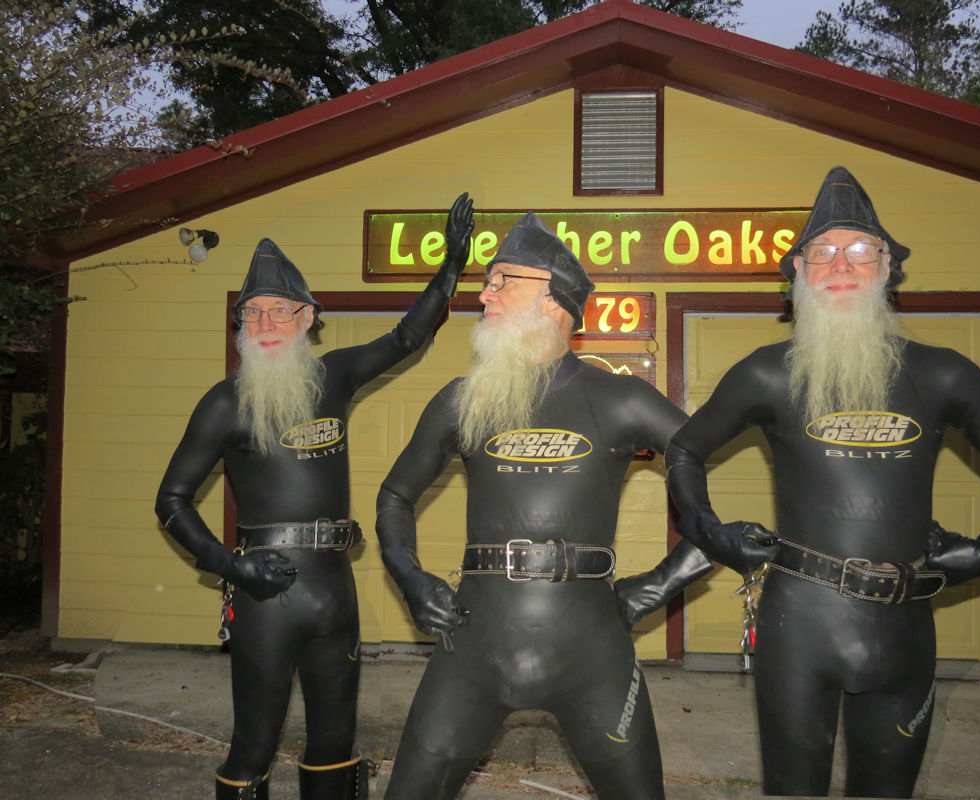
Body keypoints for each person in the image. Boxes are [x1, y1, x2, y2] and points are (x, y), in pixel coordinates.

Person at [664, 166, 980, 798]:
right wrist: (708, 531)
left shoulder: (944, 375)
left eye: (860, 250)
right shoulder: (768, 374)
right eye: (823, 252)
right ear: (799, 274)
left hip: (904, 630)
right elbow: (684, 449)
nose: (841, 264)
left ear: (887, 268)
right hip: (800, 625)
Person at [374, 212, 711, 799]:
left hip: (591, 651)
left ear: (555, 298)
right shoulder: (462, 400)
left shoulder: (622, 399)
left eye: (503, 279)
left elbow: (710, 500)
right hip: (472, 646)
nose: (484, 293)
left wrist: (655, 586)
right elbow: (395, 494)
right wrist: (411, 578)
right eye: (487, 281)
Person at [154, 192, 474, 800]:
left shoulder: (335, 377)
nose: (265, 323)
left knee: (335, 742)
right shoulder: (225, 403)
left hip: (334, 589)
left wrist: (451, 267)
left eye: (279, 311)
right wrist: (230, 566)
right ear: (240, 327)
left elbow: (408, 336)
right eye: (253, 314)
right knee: (254, 743)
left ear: (307, 318)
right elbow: (171, 499)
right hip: (263, 592)